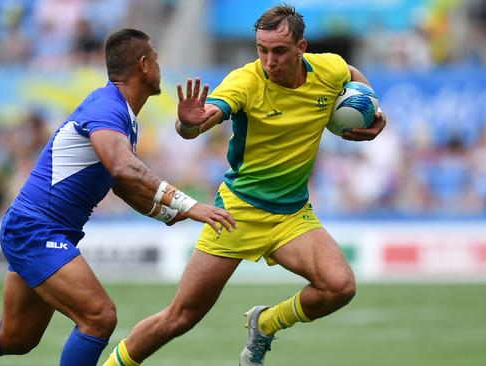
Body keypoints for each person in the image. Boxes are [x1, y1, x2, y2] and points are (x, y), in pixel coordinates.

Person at [0, 28, 235, 366]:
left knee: (15, 336)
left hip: (37, 229)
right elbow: (125, 170)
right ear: (143, 65)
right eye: (155, 57)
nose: (159, 65)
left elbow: (124, 185)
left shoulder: (120, 114)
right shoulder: (107, 109)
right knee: (99, 317)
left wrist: (174, 215)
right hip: (36, 229)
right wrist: (190, 204)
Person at [102, 5, 386, 366]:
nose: (269, 60)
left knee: (340, 287)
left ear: (302, 47)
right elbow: (201, 122)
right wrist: (188, 125)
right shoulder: (245, 82)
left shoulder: (328, 68)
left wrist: (375, 111)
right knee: (180, 317)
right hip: (236, 214)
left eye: (279, 51)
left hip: (293, 216)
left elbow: (352, 74)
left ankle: (265, 323)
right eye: (261, 50)